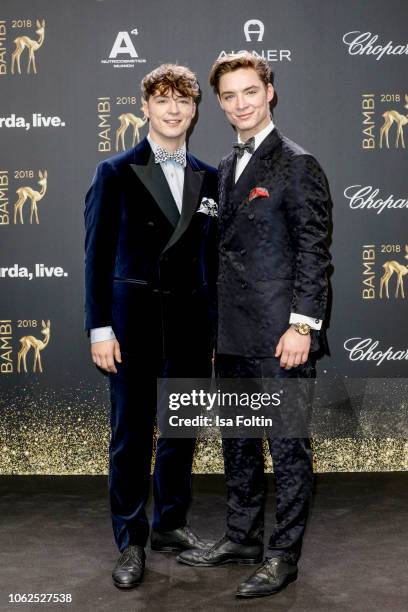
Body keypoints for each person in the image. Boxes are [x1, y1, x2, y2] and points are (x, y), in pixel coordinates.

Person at [177, 52, 332, 599]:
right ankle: (242, 537)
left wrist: (303, 326)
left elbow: (314, 251)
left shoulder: (297, 163)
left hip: (281, 337)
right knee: (239, 442)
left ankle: (282, 554)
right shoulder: (223, 168)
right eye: (228, 96)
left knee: (287, 447)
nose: (240, 103)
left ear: (270, 91)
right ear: (218, 103)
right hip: (232, 335)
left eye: (249, 91)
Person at [84, 64, 218, 589]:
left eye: (183, 101)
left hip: (188, 329)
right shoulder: (114, 171)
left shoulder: (211, 175)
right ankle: (131, 539)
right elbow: (95, 257)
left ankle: (171, 525)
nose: (174, 110)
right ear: (145, 107)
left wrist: (213, 332)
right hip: (131, 327)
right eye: (162, 100)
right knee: (132, 437)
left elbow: (211, 262)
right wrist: (99, 329)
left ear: (194, 109)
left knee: (181, 434)